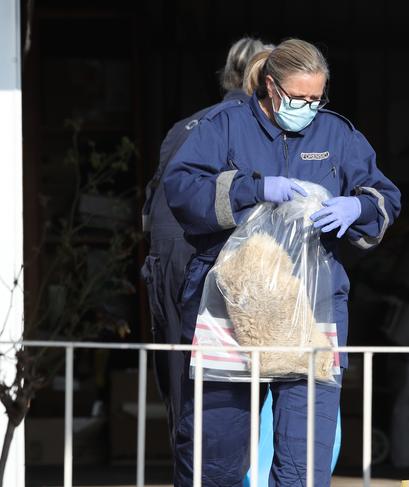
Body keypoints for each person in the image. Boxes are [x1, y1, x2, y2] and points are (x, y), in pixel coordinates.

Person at [164, 38, 401, 487]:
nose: (309, 107)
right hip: (230, 308)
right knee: (215, 456)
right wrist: (250, 188)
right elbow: (180, 190)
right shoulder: (224, 126)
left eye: (317, 98)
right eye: (299, 98)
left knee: (303, 462)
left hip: (311, 308)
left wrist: (357, 208)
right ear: (271, 88)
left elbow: (384, 197)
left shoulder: (337, 134)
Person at [140, 36, 271, 454]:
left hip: (165, 262)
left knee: (181, 392)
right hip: (211, 263)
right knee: (224, 396)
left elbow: (149, 209)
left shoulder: (185, 126)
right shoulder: (250, 126)